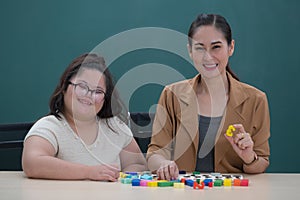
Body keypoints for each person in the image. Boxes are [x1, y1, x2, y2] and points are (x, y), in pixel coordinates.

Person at [146, 14, 270, 180]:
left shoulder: (256, 100)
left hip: (232, 194)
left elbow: (261, 163)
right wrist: (162, 163)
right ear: (190, 51)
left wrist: (249, 157)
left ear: (231, 47)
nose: (208, 57)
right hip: (182, 191)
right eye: (199, 48)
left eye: (216, 47)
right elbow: (155, 153)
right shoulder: (171, 95)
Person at [22, 53, 147, 181]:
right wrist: (88, 172)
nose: (89, 95)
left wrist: (122, 179)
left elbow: (138, 164)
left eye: (98, 91)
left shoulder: (114, 126)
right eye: (82, 86)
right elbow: (32, 163)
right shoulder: (50, 126)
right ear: (65, 87)